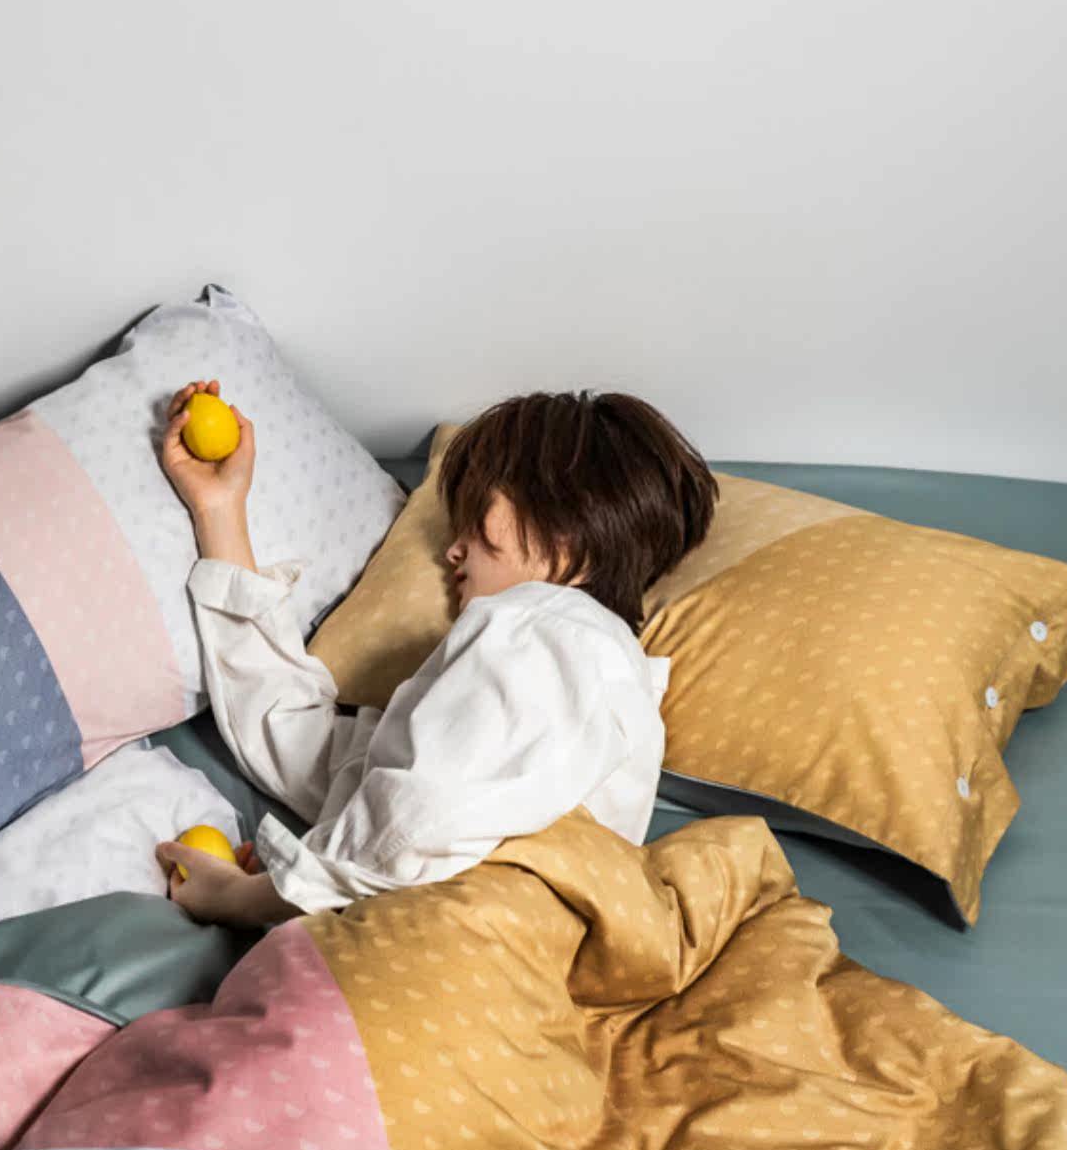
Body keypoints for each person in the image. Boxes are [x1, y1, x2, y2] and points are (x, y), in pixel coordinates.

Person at [154, 380, 716, 926]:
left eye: (477, 517)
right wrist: (220, 511)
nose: (453, 549)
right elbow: (317, 755)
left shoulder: (552, 630)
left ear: (565, 526)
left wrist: (246, 899)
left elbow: (413, 821)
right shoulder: (567, 670)